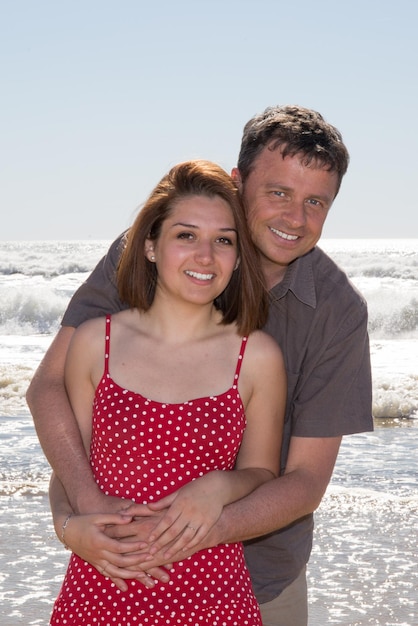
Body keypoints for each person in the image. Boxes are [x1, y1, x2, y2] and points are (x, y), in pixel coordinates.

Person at [27, 105, 373, 626]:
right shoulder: (147, 256)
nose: (294, 219)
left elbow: (303, 480)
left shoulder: (336, 312)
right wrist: (75, 516)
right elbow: (55, 394)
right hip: (118, 570)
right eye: (278, 192)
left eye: (315, 202)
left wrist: (203, 524)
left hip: (257, 579)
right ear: (239, 183)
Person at [47, 159, 286, 625]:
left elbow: (261, 473)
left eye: (223, 240)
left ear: (237, 257)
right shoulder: (96, 342)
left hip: (213, 596)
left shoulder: (256, 356)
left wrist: (220, 484)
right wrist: (69, 529)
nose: (205, 255)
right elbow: (69, 468)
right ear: (151, 245)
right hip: (100, 589)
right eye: (186, 235)